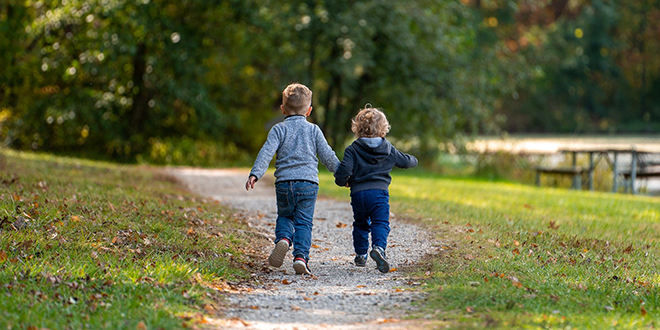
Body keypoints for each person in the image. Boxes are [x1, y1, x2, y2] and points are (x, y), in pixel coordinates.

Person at [245, 83, 339, 275]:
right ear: (309, 110)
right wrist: (342, 174)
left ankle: (284, 239)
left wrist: (255, 173)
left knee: (285, 215)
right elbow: (327, 155)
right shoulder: (314, 130)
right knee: (304, 222)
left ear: (282, 109)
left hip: (284, 184)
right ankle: (301, 258)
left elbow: (266, 153)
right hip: (308, 184)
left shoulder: (278, 130)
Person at [334, 105, 418, 273]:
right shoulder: (388, 150)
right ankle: (379, 248)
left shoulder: (353, 149)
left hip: (358, 195)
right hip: (379, 195)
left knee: (360, 224)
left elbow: (344, 171)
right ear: (383, 130)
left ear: (357, 129)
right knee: (380, 222)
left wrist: (342, 181)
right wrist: (414, 159)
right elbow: (407, 162)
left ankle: (360, 255)